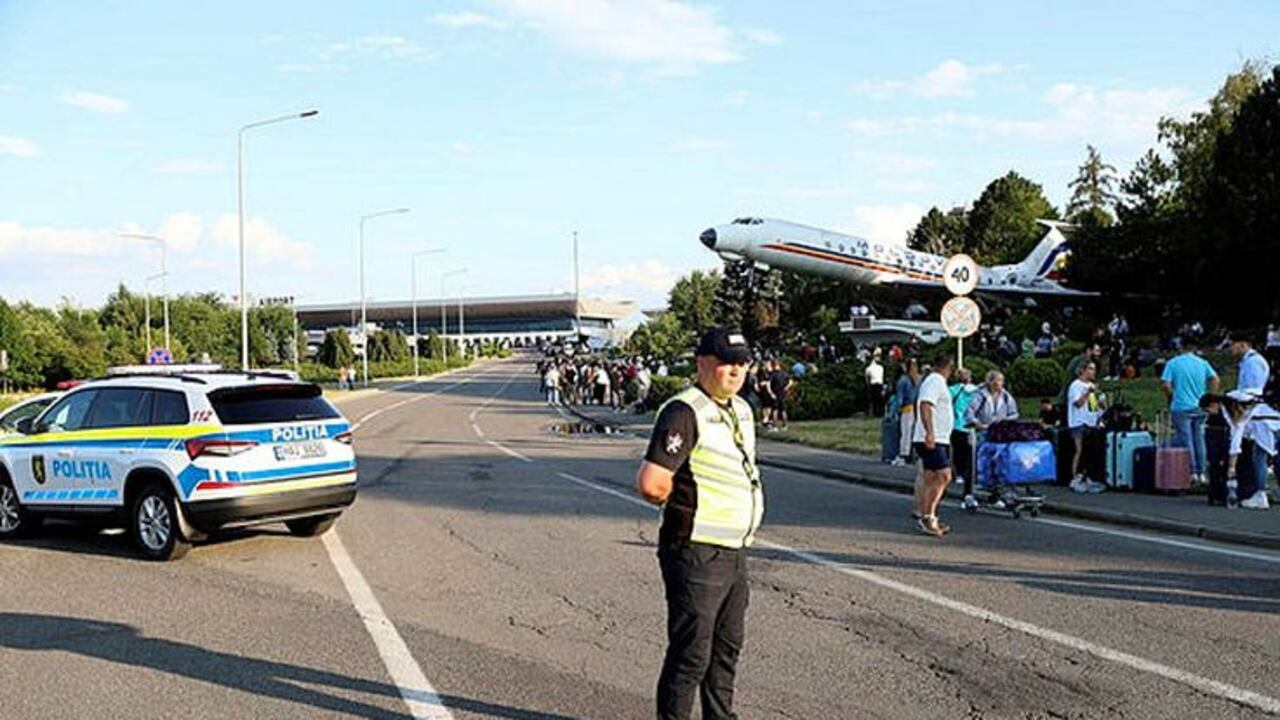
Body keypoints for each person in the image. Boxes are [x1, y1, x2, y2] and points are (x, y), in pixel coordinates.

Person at [635, 327, 762, 720]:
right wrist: (684, 508)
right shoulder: (683, 410)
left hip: (734, 550)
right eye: (726, 361)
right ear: (702, 362)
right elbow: (652, 483)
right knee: (692, 654)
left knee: (726, 650)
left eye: (742, 362)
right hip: (695, 551)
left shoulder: (740, 408)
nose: (736, 369)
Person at [1161, 340, 1220, 485]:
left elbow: (1166, 384)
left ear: (1180, 348)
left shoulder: (1173, 363)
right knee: (1199, 439)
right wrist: (1210, 397)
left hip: (1181, 406)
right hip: (1199, 406)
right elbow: (1215, 379)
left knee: (1186, 440)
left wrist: (1172, 396)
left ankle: (1192, 471)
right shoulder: (1202, 363)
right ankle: (1202, 472)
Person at [913, 355, 955, 536]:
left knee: (930, 477)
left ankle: (927, 516)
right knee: (944, 475)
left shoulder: (934, 381)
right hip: (932, 438)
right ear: (949, 369)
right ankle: (928, 517)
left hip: (939, 437)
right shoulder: (935, 381)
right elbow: (925, 405)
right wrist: (930, 431)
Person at [1217, 390, 1280, 509]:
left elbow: (1236, 441)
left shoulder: (1243, 414)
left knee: (1259, 460)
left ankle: (1260, 495)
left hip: (1265, 428)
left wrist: (1231, 466)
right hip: (1276, 423)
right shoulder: (1257, 404)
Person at [1067, 361, 1107, 493]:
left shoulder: (1091, 386)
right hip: (1078, 422)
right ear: (1082, 370)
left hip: (1090, 422)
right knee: (1080, 450)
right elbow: (1077, 403)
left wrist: (1100, 404)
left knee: (1089, 451)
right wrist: (1087, 393)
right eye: (1090, 369)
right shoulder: (1075, 386)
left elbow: (1093, 406)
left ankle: (1087, 475)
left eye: (1094, 369)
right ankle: (1075, 477)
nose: (1093, 372)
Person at [948, 367, 979, 497]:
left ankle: (959, 473)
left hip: (957, 424)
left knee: (958, 451)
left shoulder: (952, 390)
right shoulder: (976, 391)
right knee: (970, 453)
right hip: (972, 425)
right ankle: (971, 474)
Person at [892, 359, 920, 466]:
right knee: (913, 433)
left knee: (905, 433)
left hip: (906, 409)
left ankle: (903, 455)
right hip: (916, 408)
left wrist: (895, 411)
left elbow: (900, 398)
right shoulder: (917, 379)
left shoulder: (903, 380)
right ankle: (913, 455)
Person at [768, 361, 793, 430]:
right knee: (783, 410)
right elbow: (791, 382)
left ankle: (775, 426)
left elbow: (768, 384)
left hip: (775, 393)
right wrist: (786, 387)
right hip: (783, 393)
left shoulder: (773, 374)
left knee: (775, 410)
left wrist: (771, 393)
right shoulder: (784, 373)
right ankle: (785, 425)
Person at [865, 350, 885, 417]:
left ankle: (875, 412)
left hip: (873, 384)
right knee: (879, 399)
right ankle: (879, 412)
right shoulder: (880, 367)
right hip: (878, 383)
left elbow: (867, 378)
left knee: (874, 400)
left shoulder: (868, 368)